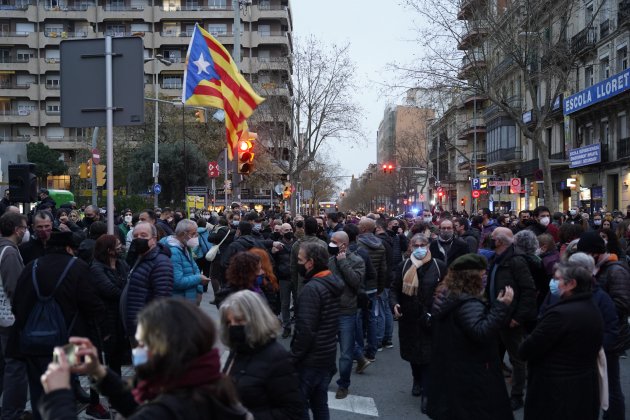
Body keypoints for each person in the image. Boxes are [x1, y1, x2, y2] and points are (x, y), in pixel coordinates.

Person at [39, 298, 252, 420]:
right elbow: (138, 410)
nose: (137, 350)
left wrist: (57, 395)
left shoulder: (169, 407)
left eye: (142, 343)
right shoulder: (212, 384)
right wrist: (99, 372)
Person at [9, 231, 106, 420]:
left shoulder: (32, 267)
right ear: (69, 248)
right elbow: (92, 305)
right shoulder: (77, 267)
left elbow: (17, 304)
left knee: (38, 388)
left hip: (33, 341)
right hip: (67, 343)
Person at [427, 254, 514, 420]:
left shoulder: (448, 295)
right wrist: (501, 307)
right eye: (482, 275)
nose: (485, 278)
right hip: (470, 370)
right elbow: (481, 332)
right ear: (472, 277)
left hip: (453, 366)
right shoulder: (469, 303)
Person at [519, 262, 604, 420]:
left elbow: (526, 349)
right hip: (582, 386)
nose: (554, 283)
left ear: (571, 284)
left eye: (558, 279)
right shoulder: (592, 307)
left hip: (554, 390)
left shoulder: (559, 315)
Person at [219, 290, 303, 419]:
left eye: (239, 320)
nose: (233, 327)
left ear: (255, 320)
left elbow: (294, 412)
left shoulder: (277, 358)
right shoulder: (238, 349)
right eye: (229, 322)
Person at [390, 234, 445, 405]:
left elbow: (447, 290)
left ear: (428, 246)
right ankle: (417, 380)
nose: (420, 248)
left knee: (430, 354)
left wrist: (437, 309)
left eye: (423, 244)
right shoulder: (404, 265)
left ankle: (428, 388)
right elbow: (394, 289)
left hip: (431, 317)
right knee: (413, 352)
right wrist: (395, 304)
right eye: (416, 245)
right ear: (411, 247)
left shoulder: (439, 265)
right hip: (410, 318)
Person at [291, 242, 343, 420]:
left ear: (310, 263)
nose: (297, 263)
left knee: (298, 406)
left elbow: (305, 330)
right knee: (320, 403)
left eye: (300, 259)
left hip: (310, 361)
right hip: (326, 355)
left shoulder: (312, 289)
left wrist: (294, 357)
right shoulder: (330, 282)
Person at [487, 227, 537, 410]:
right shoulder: (496, 258)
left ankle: (517, 395)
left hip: (510, 319)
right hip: (496, 315)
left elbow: (528, 290)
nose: (490, 239)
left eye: (492, 237)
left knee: (517, 358)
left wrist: (518, 317)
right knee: (494, 355)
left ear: (499, 241)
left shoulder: (516, 261)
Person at [327, 231, 366, 399]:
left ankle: (343, 384)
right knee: (327, 348)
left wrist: (343, 263)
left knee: (346, 352)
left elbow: (356, 282)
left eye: (334, 242)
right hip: (329, 309)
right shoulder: (329, 260)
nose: (331, 244)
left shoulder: (357, 261)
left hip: (346, 311)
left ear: (344, 245)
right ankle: (325, 377)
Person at [0, 212, 29, 419]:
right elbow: (15, 288)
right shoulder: (9, 252)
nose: (26, 231)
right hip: (9, 319)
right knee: (15, 369)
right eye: (25, 227)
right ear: (17, 229)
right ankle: (12, 413)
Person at [122, 222, 173, 337]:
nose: (139, 239)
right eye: (136, 236)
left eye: (144, 236)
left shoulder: (160, 263)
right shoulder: (140, 258)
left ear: (154, 239)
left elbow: (161, 300)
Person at [90, 235, 130, 377]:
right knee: (107, 356)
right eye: (118, 245)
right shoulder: (96, 269)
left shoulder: (122, 265)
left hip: (121, 317)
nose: (121, 247)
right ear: (109, 250)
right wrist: (127, 296)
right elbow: (110, 290)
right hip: (106, 319)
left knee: (117, 357)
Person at [160, 219, 211, 305]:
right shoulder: (174, 252)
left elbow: (195, 269)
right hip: (179, 302)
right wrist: (199, 279)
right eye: (193, 234)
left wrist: (199, 291)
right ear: (183, 234)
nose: (196, 237)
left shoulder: (185, 247)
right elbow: (177, 281)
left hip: (188, 299)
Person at [273, 223, 295, 338]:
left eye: (290, 229)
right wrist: (273, 253)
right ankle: (287, 327)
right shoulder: (277, 244)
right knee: (285, 303)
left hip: (296, 277)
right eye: (286, 230)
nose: (289, 231)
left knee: (299, 302)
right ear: (281, 232)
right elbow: (273, 261)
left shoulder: (297, 242)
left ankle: (299, 327)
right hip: (283, 278)